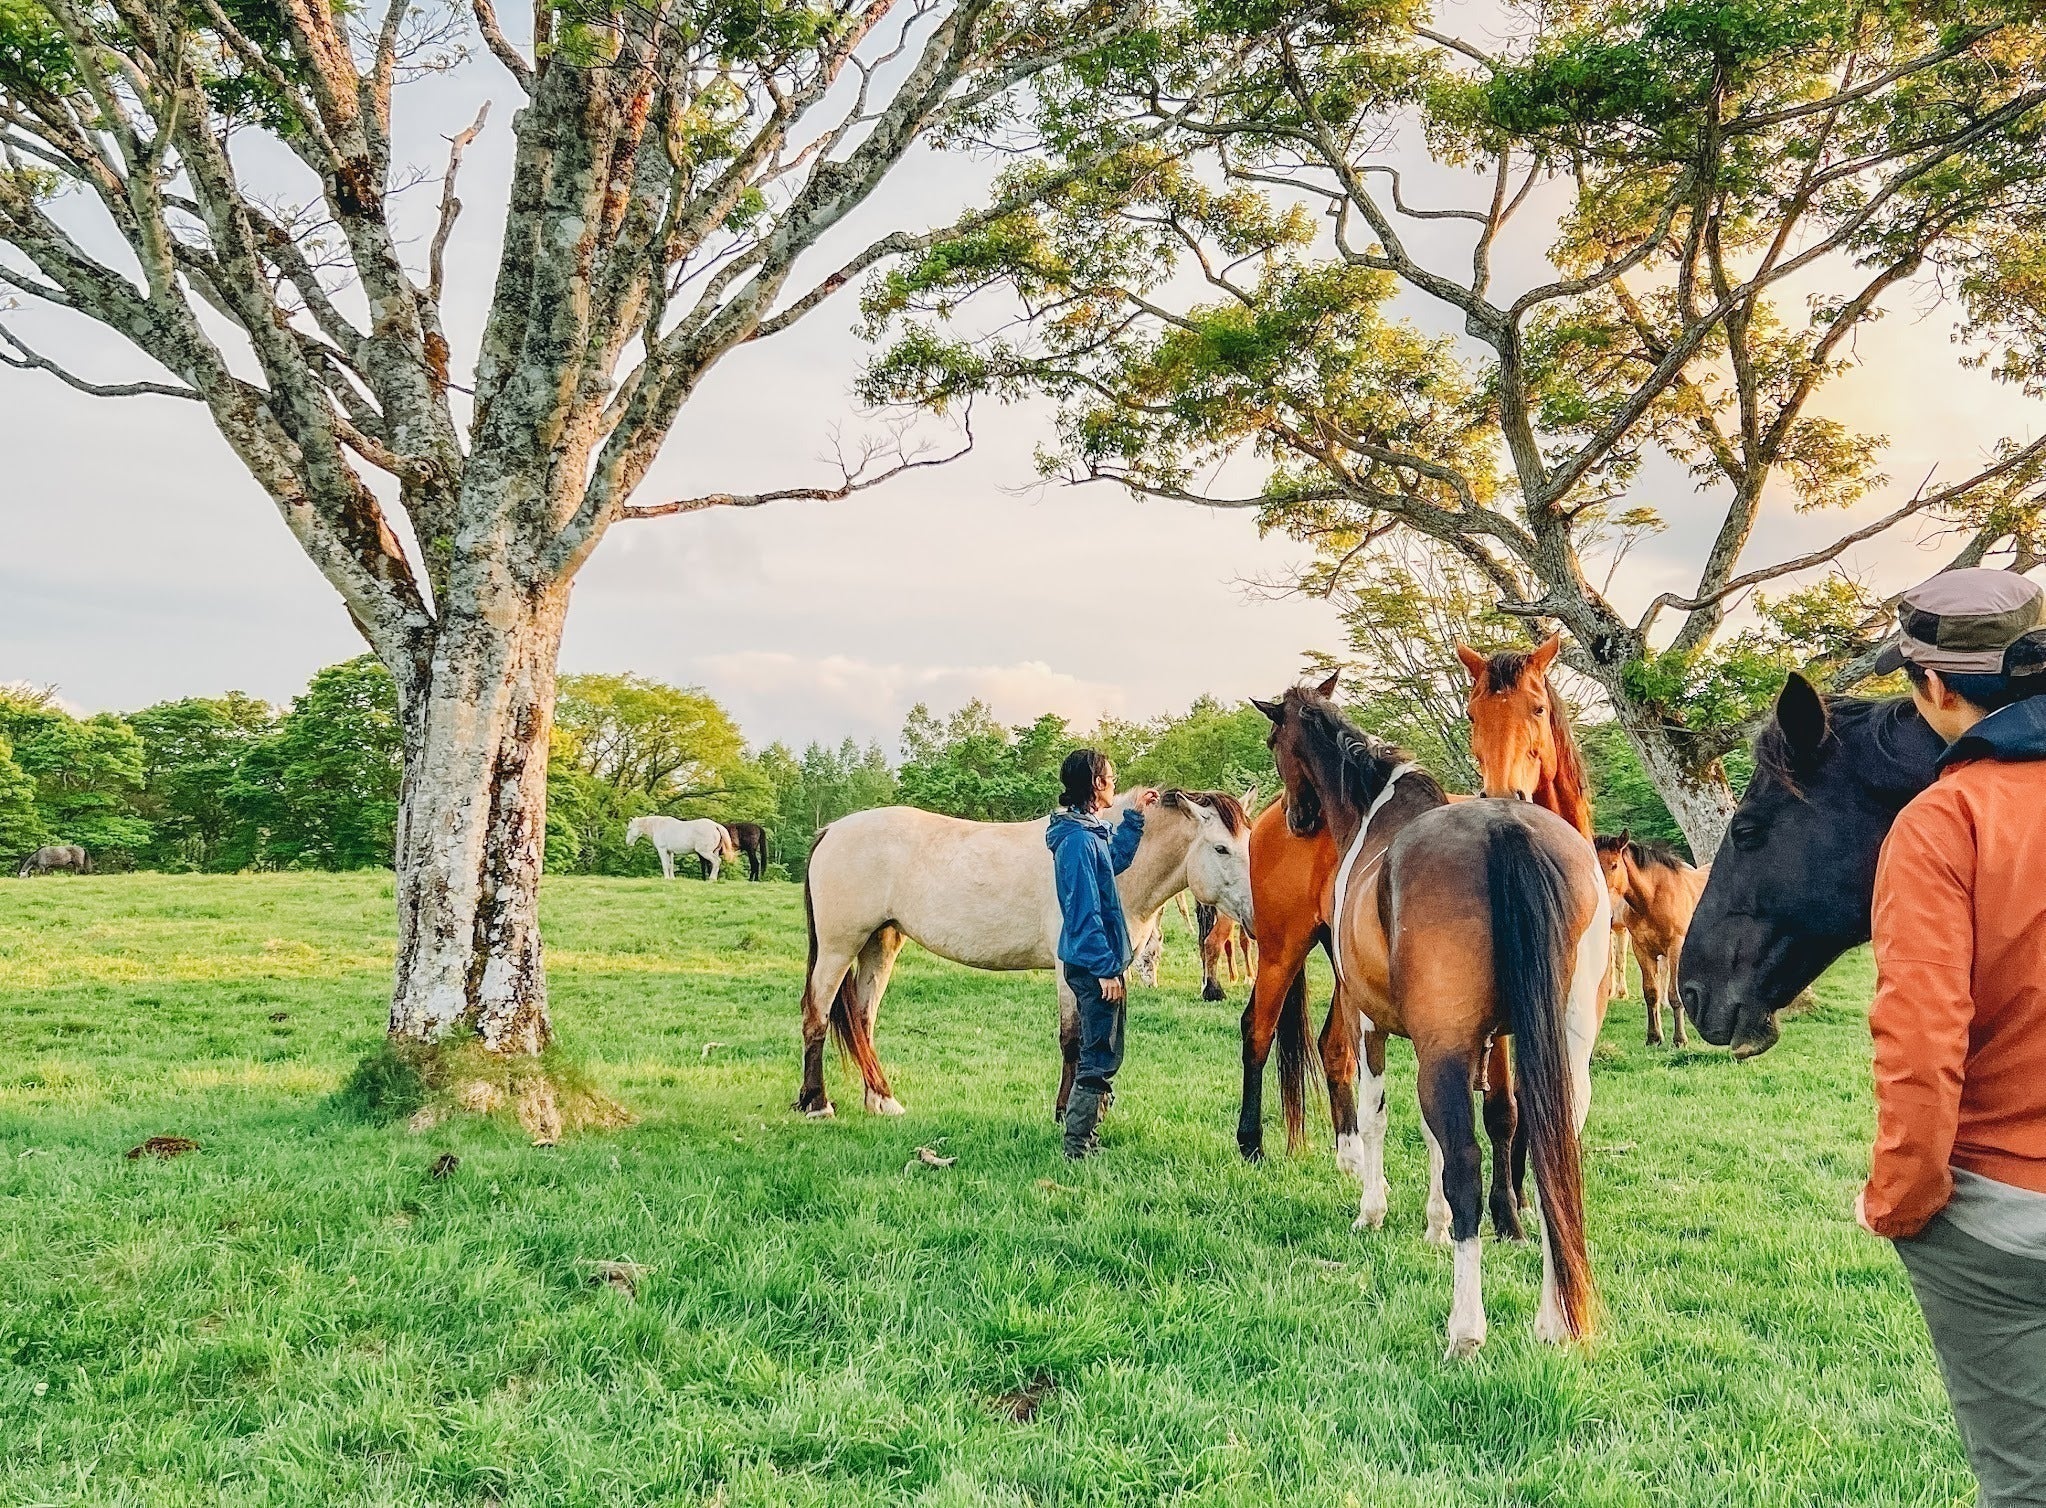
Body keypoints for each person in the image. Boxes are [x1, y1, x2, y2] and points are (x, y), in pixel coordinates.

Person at [1856, 567, 2046, 1507]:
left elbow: (1923, 1041)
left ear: (1933, 686)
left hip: (2001, 1219)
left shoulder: (1942, 823)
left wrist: (1900, 1198)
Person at [1046, 749, 1157, 1159]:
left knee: (1106, 1048)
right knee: (1098, 1053)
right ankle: (1078, 1144)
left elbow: (1115, 861)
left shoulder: (1088, 831)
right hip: (1093, 964)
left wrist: (1134, 817)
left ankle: (1088, 1132)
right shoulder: (1075, 841)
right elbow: (1084, 912)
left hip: (1100, 961)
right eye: (1110, 777)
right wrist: (1106, 970)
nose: (1114, 782)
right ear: (1095, 784)